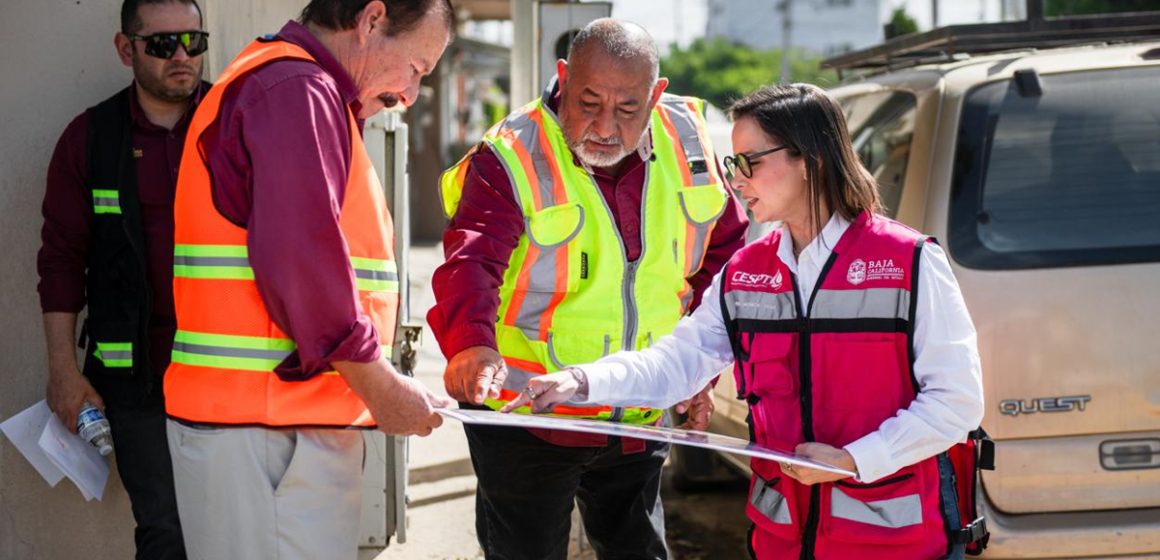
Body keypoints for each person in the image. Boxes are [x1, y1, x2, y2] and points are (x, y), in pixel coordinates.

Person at [506, 84, 986, 560]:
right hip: (780, 542)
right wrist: (579, 380)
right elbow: (674, 364)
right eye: (732, 164)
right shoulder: (745, 271)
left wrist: (855, 461)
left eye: (748, 163)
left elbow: (957, 404)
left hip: (893, 544)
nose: (736, 181)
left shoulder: (909, 261)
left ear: (810, 159)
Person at [430, 18, 749, 560]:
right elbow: (472, 258)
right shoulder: (511, 152)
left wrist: (699, 370)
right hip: (528, 420)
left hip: (635, 411)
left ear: (656, 95)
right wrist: (470, 343)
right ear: (563, 77)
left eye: (627, 109)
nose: (605, 125)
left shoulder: (688, 141)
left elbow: (724, 263)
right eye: (588, 102)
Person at [163, 1, 454, 558]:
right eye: (416, 68)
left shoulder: (293, 84)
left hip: (267, 432)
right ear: (371, 20)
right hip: (269, 438)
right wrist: (381, 387)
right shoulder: (297, 88)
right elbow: (304, 261)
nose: (410, 95)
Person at [38, 1, 210, 557]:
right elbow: (61, 260)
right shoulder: (90, 138)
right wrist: (63, 371)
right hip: (137, 379)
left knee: (235, 530)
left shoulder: (233, 124)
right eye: (162, 45)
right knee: (165, 531)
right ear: (125, 48)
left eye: (192, 40)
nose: (182, 55)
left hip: (228, 370)